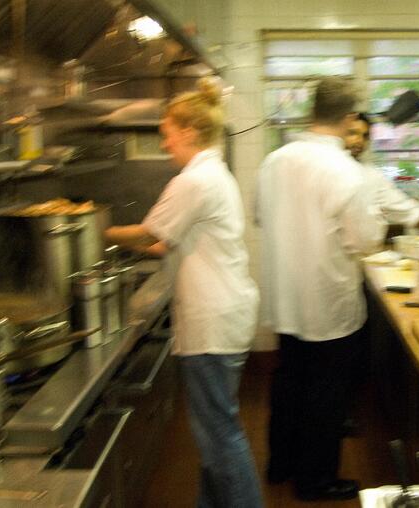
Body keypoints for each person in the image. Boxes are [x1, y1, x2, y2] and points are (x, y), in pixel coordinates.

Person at [105, 78, 263, 508]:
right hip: (224, 313)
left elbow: (147, 233)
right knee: (215, 433)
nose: (164, 142)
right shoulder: (211, 173)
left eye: (167, 133)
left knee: (220, 436)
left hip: (213, 320)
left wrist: (100, 231)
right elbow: (163, 242)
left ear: (190, 131)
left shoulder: (195, 180)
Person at [256, 77, 387, 501]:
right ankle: (315, 480)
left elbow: (261, 217)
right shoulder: (347, 172)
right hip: (328, 304)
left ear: (313, 111)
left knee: (289, 382)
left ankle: (281, 465)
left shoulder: (274, 161)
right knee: (325, 396)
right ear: (349, 118)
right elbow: (365, 241)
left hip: (285, 298)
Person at [345, 112, 419, 236]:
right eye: (352, 133)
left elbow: (408, 210)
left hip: (361, 253)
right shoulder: (324, 167)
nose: (359, 140)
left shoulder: (370, 174)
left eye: (365, 136)